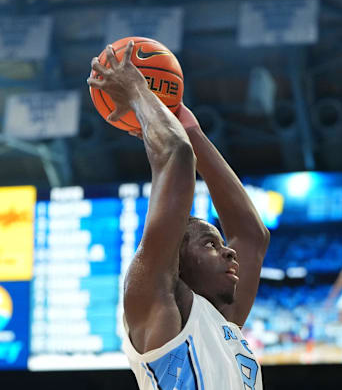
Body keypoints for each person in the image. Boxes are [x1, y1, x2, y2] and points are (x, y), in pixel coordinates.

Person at [88, 41, 270, 390]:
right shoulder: (156, 306)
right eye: (210, 244)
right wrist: (137, 90)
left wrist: (192, 130)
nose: (229, 252)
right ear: (177, 264)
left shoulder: (222, 322)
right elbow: (175, 155)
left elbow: (251, 237)